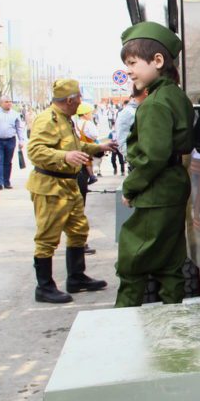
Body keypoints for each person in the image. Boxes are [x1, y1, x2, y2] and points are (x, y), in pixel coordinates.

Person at [116, 22, 195, 307]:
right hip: (172, 186)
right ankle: (174, 323)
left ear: (158, 61)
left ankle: (122, 322)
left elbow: (151, 157)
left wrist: (130, 187)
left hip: (156, 191)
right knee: (171, 263)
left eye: (133, 62)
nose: (129, 70)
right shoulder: (175, 96)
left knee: (132, 261)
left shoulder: (154, 104)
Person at [27, 79, 115, 303]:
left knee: (78, 230)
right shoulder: (47, 119)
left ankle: (76, 277)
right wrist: (63, 157)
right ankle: (44, 287)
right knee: (47, 237)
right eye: (78, 98)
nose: (81, 102)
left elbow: (73, 146)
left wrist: (98, 147)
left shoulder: (67, 119)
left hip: (70, 184)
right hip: (50, 187)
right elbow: (35, 151)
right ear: (69, 100)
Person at [0, 96, 26, 190]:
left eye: (10, 102)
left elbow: (19, 127)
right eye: (6, 102)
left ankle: (6, 181)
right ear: (1, 103)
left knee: (8, 162)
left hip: (10, 140)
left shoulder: (15, 114)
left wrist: (21, 140)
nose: (9, 103)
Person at [114, 87, 148, 172]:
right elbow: (122, 140)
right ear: (146, 92)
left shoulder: (144, 108)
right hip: (139, 161)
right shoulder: (128, 112)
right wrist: (134, 159)